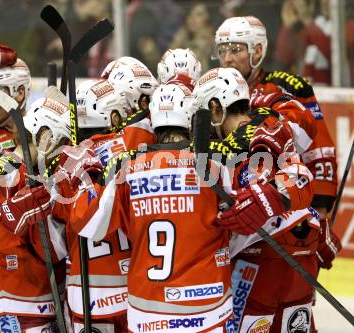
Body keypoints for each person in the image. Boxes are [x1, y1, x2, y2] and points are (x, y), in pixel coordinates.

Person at [65, 77, 301, 332]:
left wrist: (91, 178)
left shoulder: (126, 170)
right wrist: (274, 196)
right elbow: (297, 177)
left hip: (147, 314)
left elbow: (86, 224)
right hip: (206, 310)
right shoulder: (216, 165)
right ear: (193, 118)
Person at [193, 67, 318, 332]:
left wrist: (268, 196)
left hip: (258, 256)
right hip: (304, 247)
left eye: (202, 115)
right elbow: (301, 174)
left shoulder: (218, 150)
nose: (200, 126)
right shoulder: (272, 122)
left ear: (215, 108)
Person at [213, 15, 340, 268]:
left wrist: (321, 209)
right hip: (241, 210)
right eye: (222, 50)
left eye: (236, 49)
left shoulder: (288, 88)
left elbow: (319, 150)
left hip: (285, 200)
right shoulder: (212, 89)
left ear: (257, 51)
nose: (227, 58)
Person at [52, 77, 156, 332]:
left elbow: (60, 218)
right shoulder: (138, 139)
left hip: (89, 295)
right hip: (135, 288)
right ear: (114, 116)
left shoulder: (67, 159)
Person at [0, 96, 71, 332]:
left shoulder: (49, 179)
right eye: (61, 141)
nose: (63, 151)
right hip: (12, 305)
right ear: (45, 136)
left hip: (47, 303)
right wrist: (17, 211)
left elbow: (54, 249)